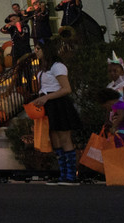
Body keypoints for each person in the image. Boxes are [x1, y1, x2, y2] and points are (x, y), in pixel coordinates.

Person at [31, 40, 81, 185]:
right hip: (48, 104)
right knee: (54, 138)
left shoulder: (58, 66)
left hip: (58, 103)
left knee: (64, 137)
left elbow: (66, 88)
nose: (36, 51)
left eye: (39, 48)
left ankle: (71, 176)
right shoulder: (42, 69)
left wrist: (47, 97)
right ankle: (63, 174)